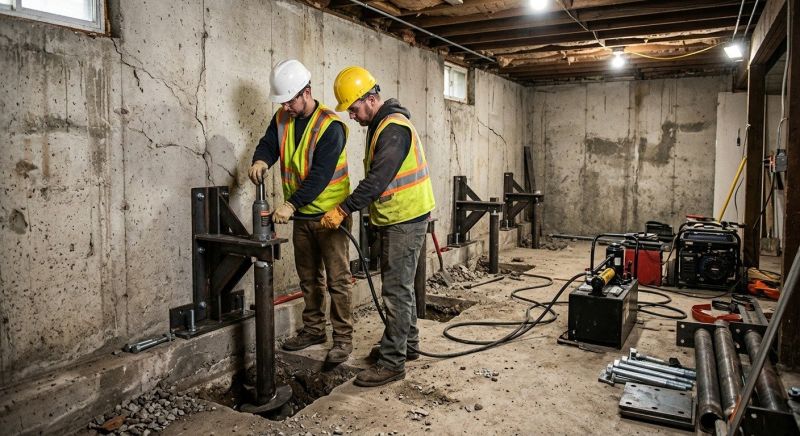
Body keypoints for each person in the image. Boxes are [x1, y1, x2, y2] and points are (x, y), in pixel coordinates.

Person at [321, 66, 436, 387]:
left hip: (405, 220)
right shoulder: (384, 124)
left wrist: (343, 208)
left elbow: (378, 180)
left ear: (371, 99)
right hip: (400, 219)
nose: (352, 116)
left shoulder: (393, 130)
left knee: (396, 291)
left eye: (354, 109)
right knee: (402, 287)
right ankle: (407, 344)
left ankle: (392, 363)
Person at [248, 59, 353, 364]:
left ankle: (343, 339)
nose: (286, 107)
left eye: (289, 100)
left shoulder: (330, 126)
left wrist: (291, 203)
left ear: (306, 92)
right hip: (302, 218)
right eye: (282, 102)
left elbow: (320, 174)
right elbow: (270, 143)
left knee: (338, 280)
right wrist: (260, 160)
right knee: (309, 278)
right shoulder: (283, 117)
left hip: (330, 216)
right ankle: (314, 329)